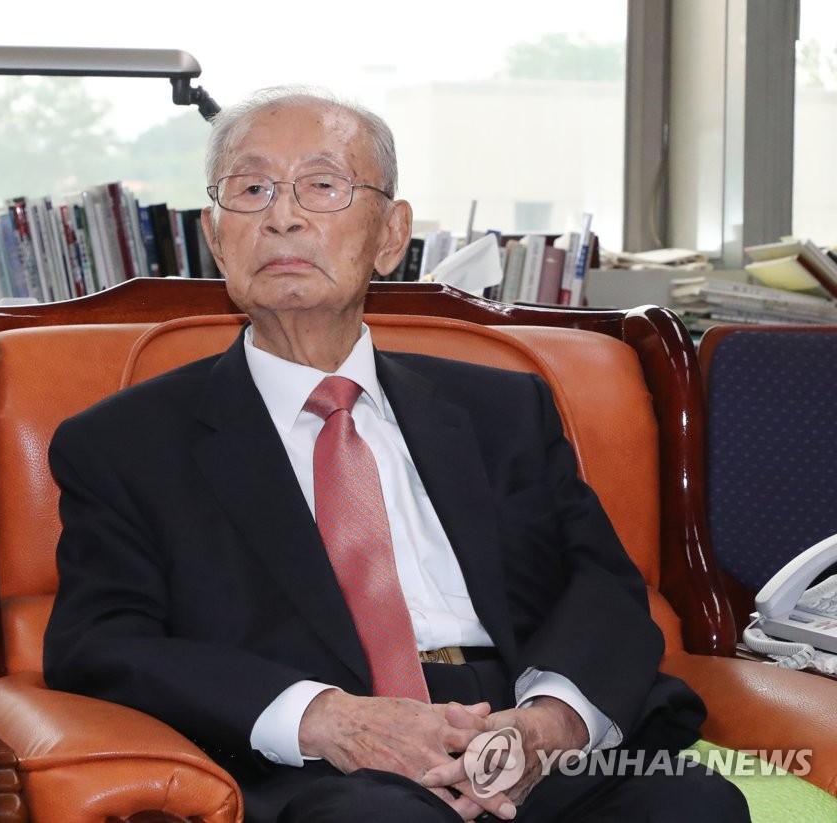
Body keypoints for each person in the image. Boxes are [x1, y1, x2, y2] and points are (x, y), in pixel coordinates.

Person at [43, 86, 750, 823]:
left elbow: (601, 586)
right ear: (217, 238)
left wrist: (550, 723)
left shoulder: (502, 410)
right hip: (323, 766)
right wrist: (325, 718)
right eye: (252, 190)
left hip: (518, 727)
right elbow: (99, 643)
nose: (282, 217)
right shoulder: (125, 443)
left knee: (690, 804)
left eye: (322, 186)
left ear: (390, 234)